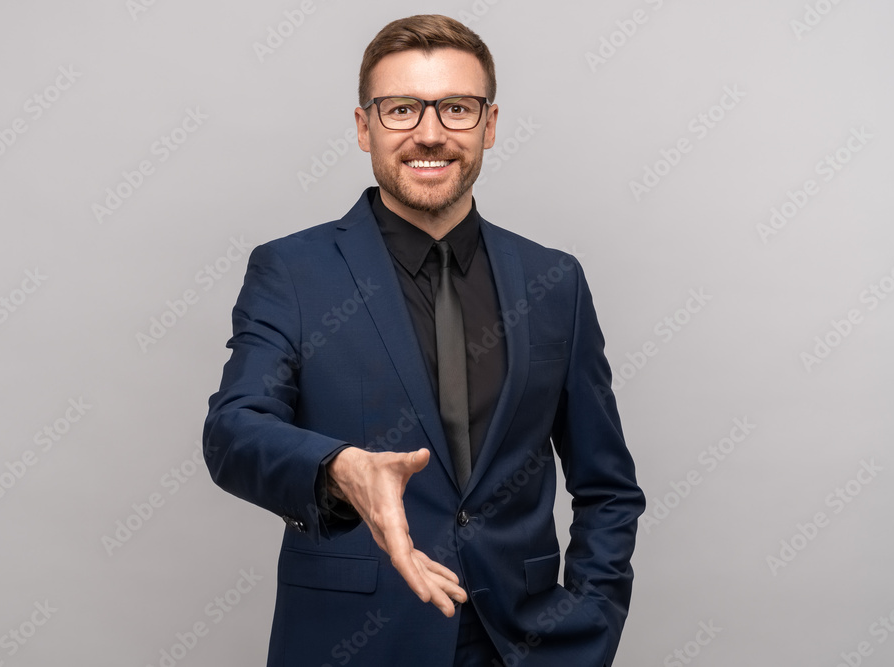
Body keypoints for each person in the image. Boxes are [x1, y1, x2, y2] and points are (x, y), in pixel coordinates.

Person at [203, 14, 644, 667]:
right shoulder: (292, 272)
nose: (430, 133)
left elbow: (607, 486)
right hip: (352, 645)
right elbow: (233, 432)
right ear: (365, 128)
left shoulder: (555, 282)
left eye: (456, 108)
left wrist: (588, 624)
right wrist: (338, 468)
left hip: (519, 648)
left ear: (489, 125)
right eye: (402, 108)